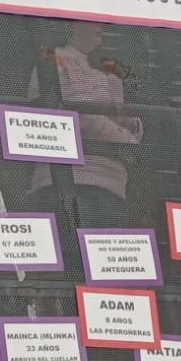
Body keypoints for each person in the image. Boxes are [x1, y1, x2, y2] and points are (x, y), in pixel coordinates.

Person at [29, 21, 144, 229]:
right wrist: (125, 138)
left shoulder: (107, 68)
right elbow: (72, 116)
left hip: (112, 184)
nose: (101, 25)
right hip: (67, 181)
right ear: (72, 26)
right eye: (90, 19)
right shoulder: (52, 57)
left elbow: (121, 117)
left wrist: (128, 127)